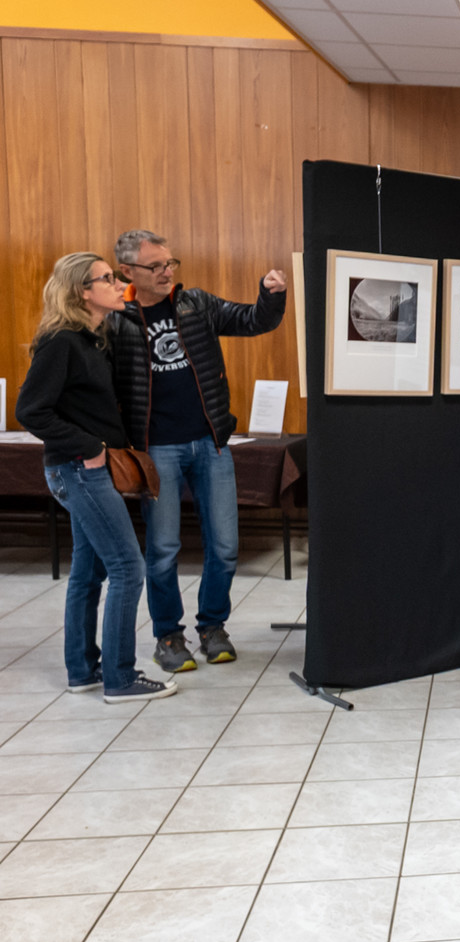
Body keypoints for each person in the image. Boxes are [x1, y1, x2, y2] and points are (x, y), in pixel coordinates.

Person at [108, 230, 287, 673]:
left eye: (171, 263)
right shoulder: (118, 321)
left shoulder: (196, 304)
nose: (167, 272)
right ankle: (168, 635)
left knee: (225, 545)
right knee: (164, 548)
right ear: (128, 271)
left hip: (211, 443)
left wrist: (270, 296)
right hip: (157, 450)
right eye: (156, 266)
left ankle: (212, 628)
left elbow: (252, 321)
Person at [16, 253, 178, 703]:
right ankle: (121, 678)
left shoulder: (93, 338)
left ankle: (83, 670)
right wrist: (88, 448)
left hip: (88, 471)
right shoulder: (61, 342)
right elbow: (30, 410)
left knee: (88, 573)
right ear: (82, 291)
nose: (116, 284)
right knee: (128, 567)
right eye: (106, 279)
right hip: (78, 471)